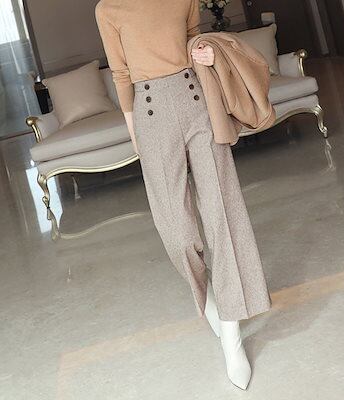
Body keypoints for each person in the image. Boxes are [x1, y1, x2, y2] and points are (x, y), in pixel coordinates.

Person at [95, 0, 272, 390]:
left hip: (196, 102)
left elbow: (193, 38)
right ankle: (209, 299)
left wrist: (204, 51)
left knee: (223, 213)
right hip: (149, 114)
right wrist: (136, 136)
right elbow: (121, 74)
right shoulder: (108, 9)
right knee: (176, 229)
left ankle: (231, 334)